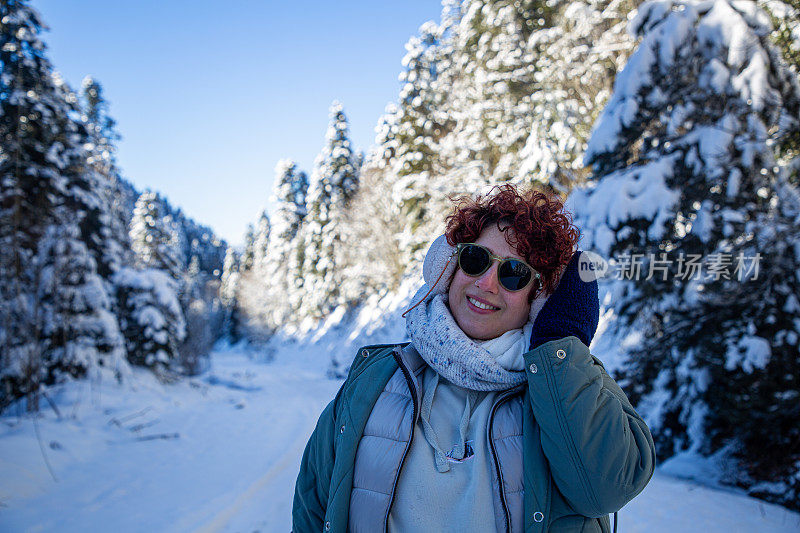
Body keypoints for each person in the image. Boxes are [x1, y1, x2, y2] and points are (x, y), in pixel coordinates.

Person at [292, 184, 655, 532]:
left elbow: (607, 488)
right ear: (449, 268)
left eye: (514, 274)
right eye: (476, 259)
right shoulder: (374, 380)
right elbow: (314, 505)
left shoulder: (566, 385)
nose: (486, 283)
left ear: (538, 298)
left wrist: (561, 343)